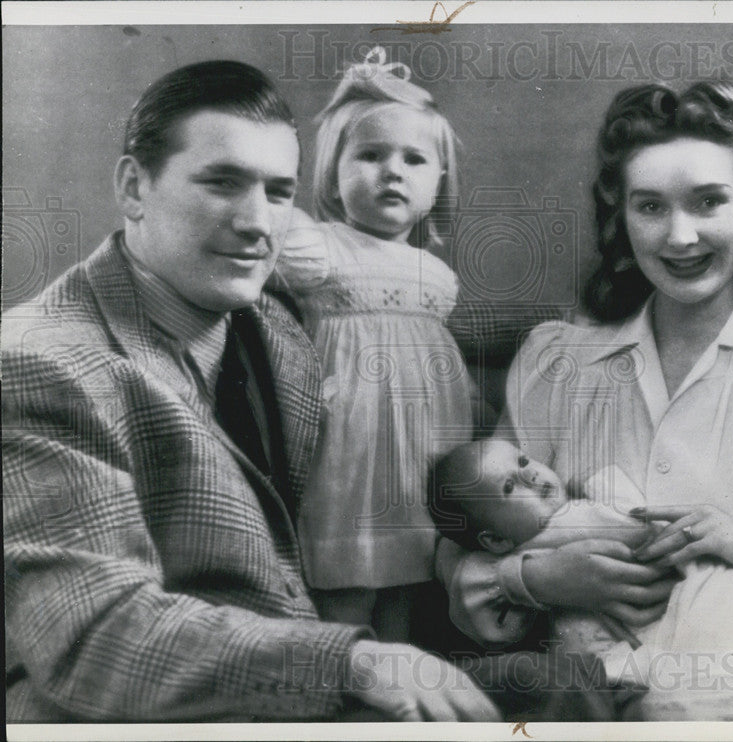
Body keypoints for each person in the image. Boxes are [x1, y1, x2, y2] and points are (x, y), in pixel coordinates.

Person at [2, 60, 499, 723]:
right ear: (133, 186)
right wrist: (349, 660)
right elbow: (99, 638)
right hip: (142, 717)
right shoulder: (38, 361)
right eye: (222, 183)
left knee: (574, 689)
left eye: (278, 192)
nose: (257, 222)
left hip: (306, 692)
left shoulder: (276, 327)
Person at [437, 81, 733, 719]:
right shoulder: (560, 363)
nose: (680, 237)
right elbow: (464, 524)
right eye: (651, 207)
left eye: (709, 202)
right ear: (622, 216)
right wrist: (532, 580)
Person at [432, 438, 733, 718]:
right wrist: (531, 578)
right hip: (631, 636)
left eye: (523, 462)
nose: (533, 477)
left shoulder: (559, 519)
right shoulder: (559, 527)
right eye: (510, 487)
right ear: (493, 541)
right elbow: (635, 523)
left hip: (663, 614)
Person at [268, 47, 474, 641]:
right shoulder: (319, 248)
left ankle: (398, 687)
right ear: (333, 173)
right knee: (349, 575)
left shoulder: (437, 275)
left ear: (439, 181)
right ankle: (344, 685)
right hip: (350, 442)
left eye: (414, 159)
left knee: (410, 578)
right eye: (370, 155)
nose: (393, 171)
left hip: (424, 446)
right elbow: (267, 236)